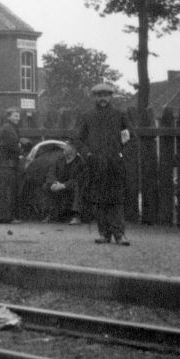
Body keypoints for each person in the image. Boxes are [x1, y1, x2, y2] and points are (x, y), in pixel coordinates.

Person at [74, 83, 132, 245]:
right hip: (96, 163)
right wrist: (88, 154)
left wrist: (121, 154)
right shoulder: (88, 116)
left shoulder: (120, 115)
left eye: (106, 95)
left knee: (116, 199)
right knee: (99, 199)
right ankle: (104, 234)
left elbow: (129, 137)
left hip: (114, 163)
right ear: (95, 97)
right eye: (99, 96)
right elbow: (78, 139)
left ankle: (119, 234)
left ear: (111, 96)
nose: (102, 99)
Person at [43, 142, 85, 224]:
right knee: (46, 186)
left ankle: (76, 216)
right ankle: (51, 214)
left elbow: (78, 179)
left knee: (78, 186)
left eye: (67, 147)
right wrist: (54, 183)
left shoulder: (80, 162)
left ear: (73, 150)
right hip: (58, 184)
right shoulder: (59, 160)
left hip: (70, 185)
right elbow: (51, 173)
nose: (64, 148)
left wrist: (63, 185)